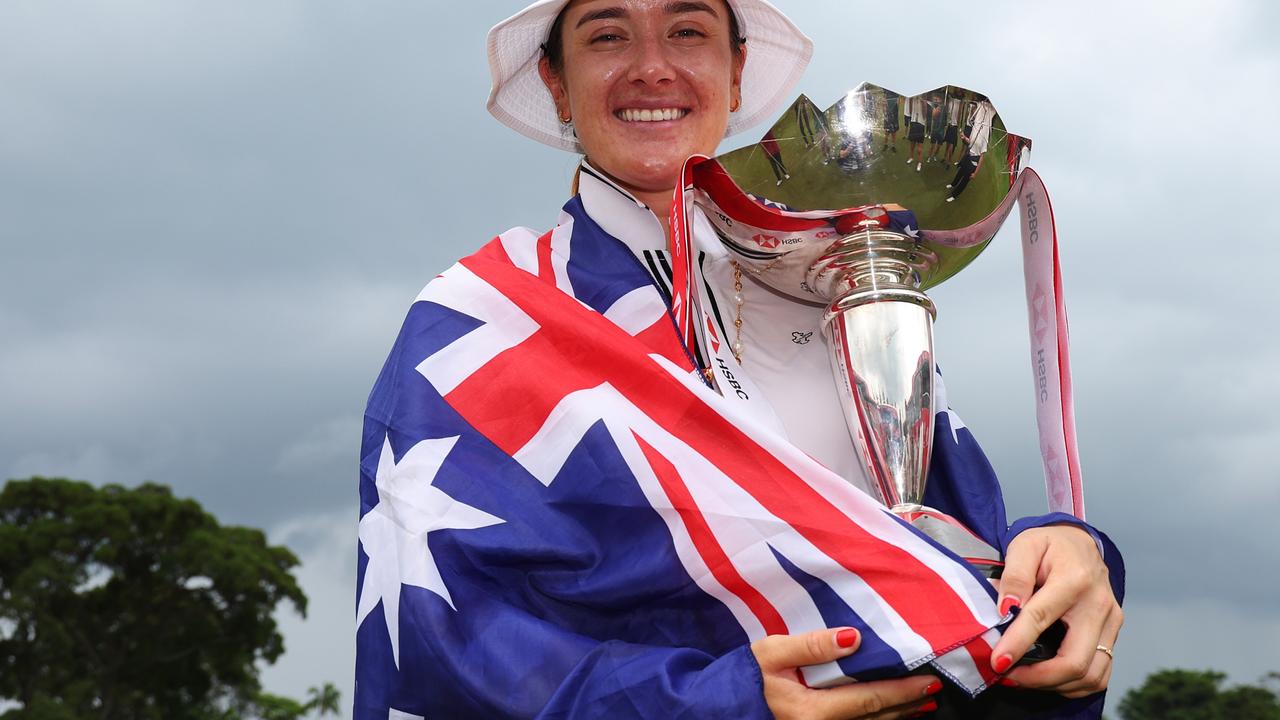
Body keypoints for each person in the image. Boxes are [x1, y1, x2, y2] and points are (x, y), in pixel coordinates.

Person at [355, 1, 1124, 718]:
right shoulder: (479, 321)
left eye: (688, 30)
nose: (651, 66)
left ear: (737, 70)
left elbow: (939, 555)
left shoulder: (838, 283)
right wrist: (718, 701)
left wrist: (1064, 558)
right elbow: (443, 639)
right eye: (607, 33)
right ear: (557, 81)